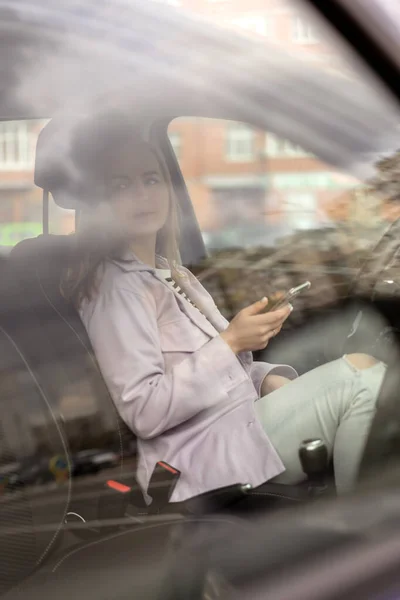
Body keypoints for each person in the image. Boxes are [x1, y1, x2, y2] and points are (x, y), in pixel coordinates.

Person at [61, 111, 386, 503]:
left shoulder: (171, 273)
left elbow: (220, 374)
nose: (143, 195)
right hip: (198, 461)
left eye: (151, 179)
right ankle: (365, 524)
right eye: (122, 186)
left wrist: (265, 379)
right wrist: (231, 340)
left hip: (236, 424)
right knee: (360, 378)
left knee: (366, 366)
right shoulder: (115, 289)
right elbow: (145, 411)